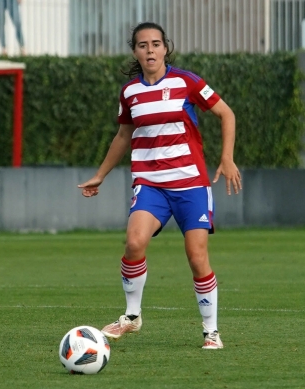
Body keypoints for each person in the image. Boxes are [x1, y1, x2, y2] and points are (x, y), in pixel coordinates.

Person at [77, 22, 241, 350]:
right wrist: (101, 174)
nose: (149, 50)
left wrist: (226, 158)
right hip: (150, 185)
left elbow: (226, 114)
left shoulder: (186, 81)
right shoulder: (130, 93)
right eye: (142, 45)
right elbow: (123, 136)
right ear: (135, 52)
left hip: (191, 184)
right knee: (134, 242)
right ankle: (132, 316)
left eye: (155, 44)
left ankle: (211, 331)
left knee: (196, 257)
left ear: (166, 48)